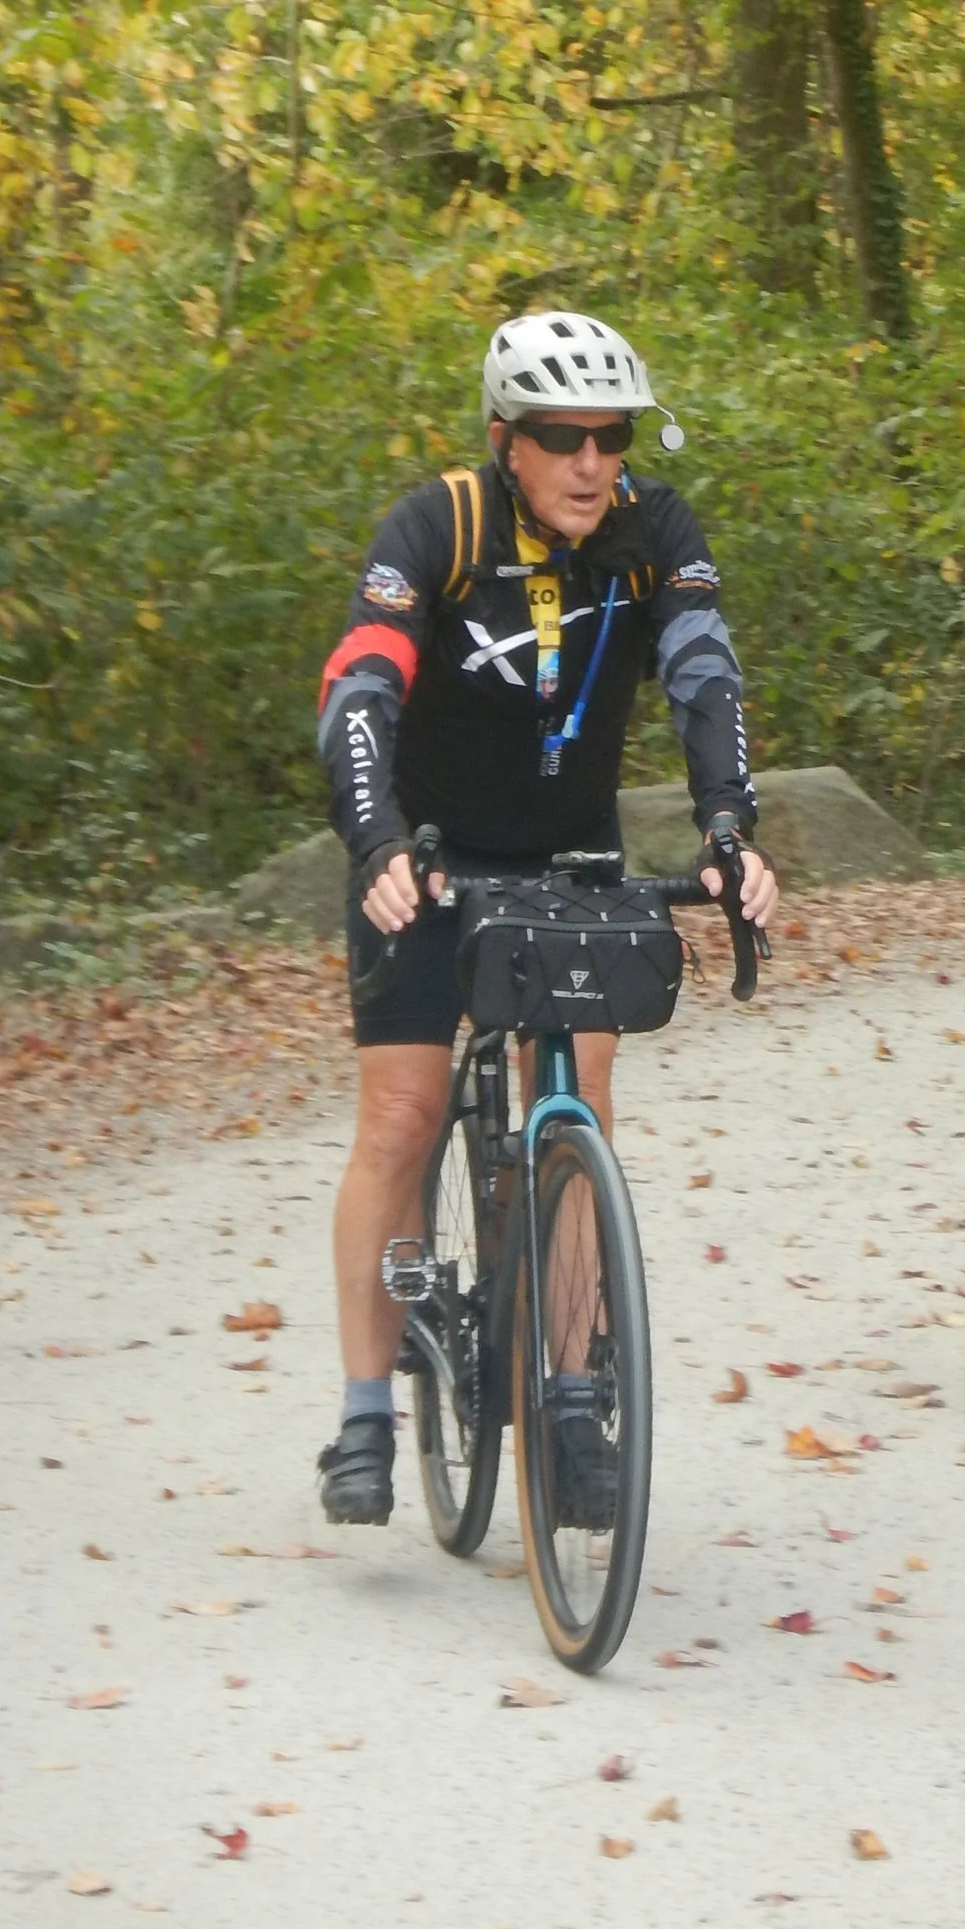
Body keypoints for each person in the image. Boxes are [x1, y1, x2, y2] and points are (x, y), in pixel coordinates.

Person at [311, 308, 778, 1528]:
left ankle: (571, 1392)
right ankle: (367, 1410)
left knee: (577, 1103)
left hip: (572, 858)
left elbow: (703, 672)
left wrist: (729, 830)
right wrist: (373, 846)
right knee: (404, 1116)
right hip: (425, 856)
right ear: (503, 439)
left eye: (609, 435)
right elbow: (359, 685)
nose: (588, 462)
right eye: (559, 436)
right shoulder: (439, 527)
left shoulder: (648, 532)